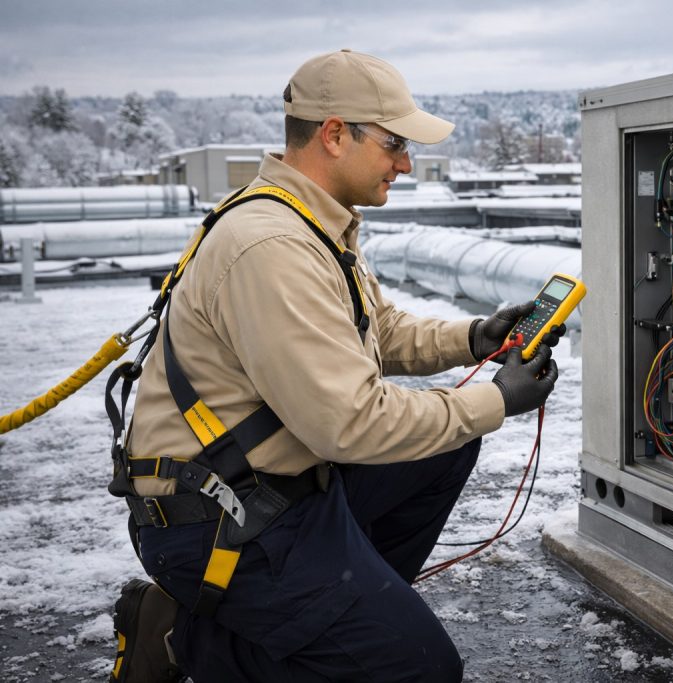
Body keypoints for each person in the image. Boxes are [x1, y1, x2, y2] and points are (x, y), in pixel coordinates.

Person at [109, 49, 560, 683]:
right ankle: (182, 638)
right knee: (418, 669)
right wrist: (495, 401)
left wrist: (475, 337)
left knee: (441, 449)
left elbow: (379, 330)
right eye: (394, 143)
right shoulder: (273, 245)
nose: (405, 162)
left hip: (277, 486)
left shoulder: (312, 223)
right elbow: (350, 423)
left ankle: (339, 616)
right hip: (221, 518)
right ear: (335, 133)